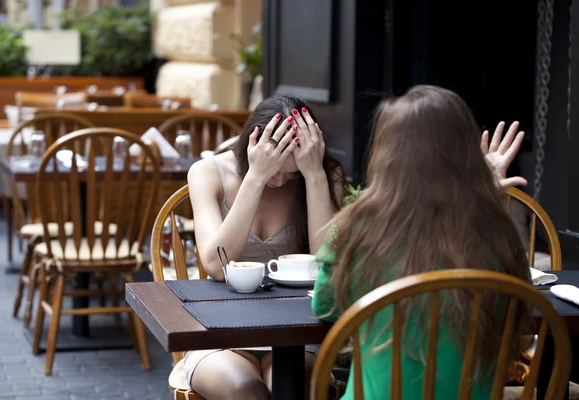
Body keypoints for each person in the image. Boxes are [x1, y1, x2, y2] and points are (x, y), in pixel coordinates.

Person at [312, 85, 531, 400]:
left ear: (386, 154)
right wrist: (484, 197)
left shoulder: (355, 226)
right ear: (466, 150)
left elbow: (325, 307)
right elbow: (517, 304)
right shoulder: (494, 227)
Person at [184, 94, 345, 399]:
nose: (281, 181)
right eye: (274, 169)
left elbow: (327, 262)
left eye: (291, 173)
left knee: (288, 389)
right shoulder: (207, 173)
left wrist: (313, 176)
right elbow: (218, 267)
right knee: (249, 393)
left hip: (294, 333)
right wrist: (255, 178)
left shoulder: (321, 175)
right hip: (219, 330)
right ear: (251, 147)